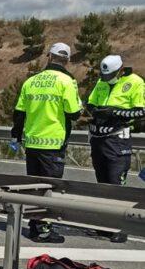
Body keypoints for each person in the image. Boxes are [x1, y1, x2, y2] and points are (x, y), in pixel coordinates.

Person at [11, 42, 83, 243]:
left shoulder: (32, 81)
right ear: (67, 60)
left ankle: (34, 225)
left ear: (49, 57)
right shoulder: (67, 81)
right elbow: (74, 113)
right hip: (53, 144)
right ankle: (44, 229)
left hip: (32, 143)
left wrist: (16, 136)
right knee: (49, 188)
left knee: (35, 187)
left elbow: (19, 113)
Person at [86, 55, 145, 243]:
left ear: (120, 70)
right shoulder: (101, 82)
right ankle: (105, 226)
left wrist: (114, 112)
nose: (106, 79)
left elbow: (141, 110)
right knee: (102, 185)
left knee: (116, 184)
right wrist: (95, 112)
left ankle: (121, 227)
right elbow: (91, 102)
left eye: (110, 75)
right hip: (98, 139)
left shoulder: (135, 82)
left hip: (118, 140)